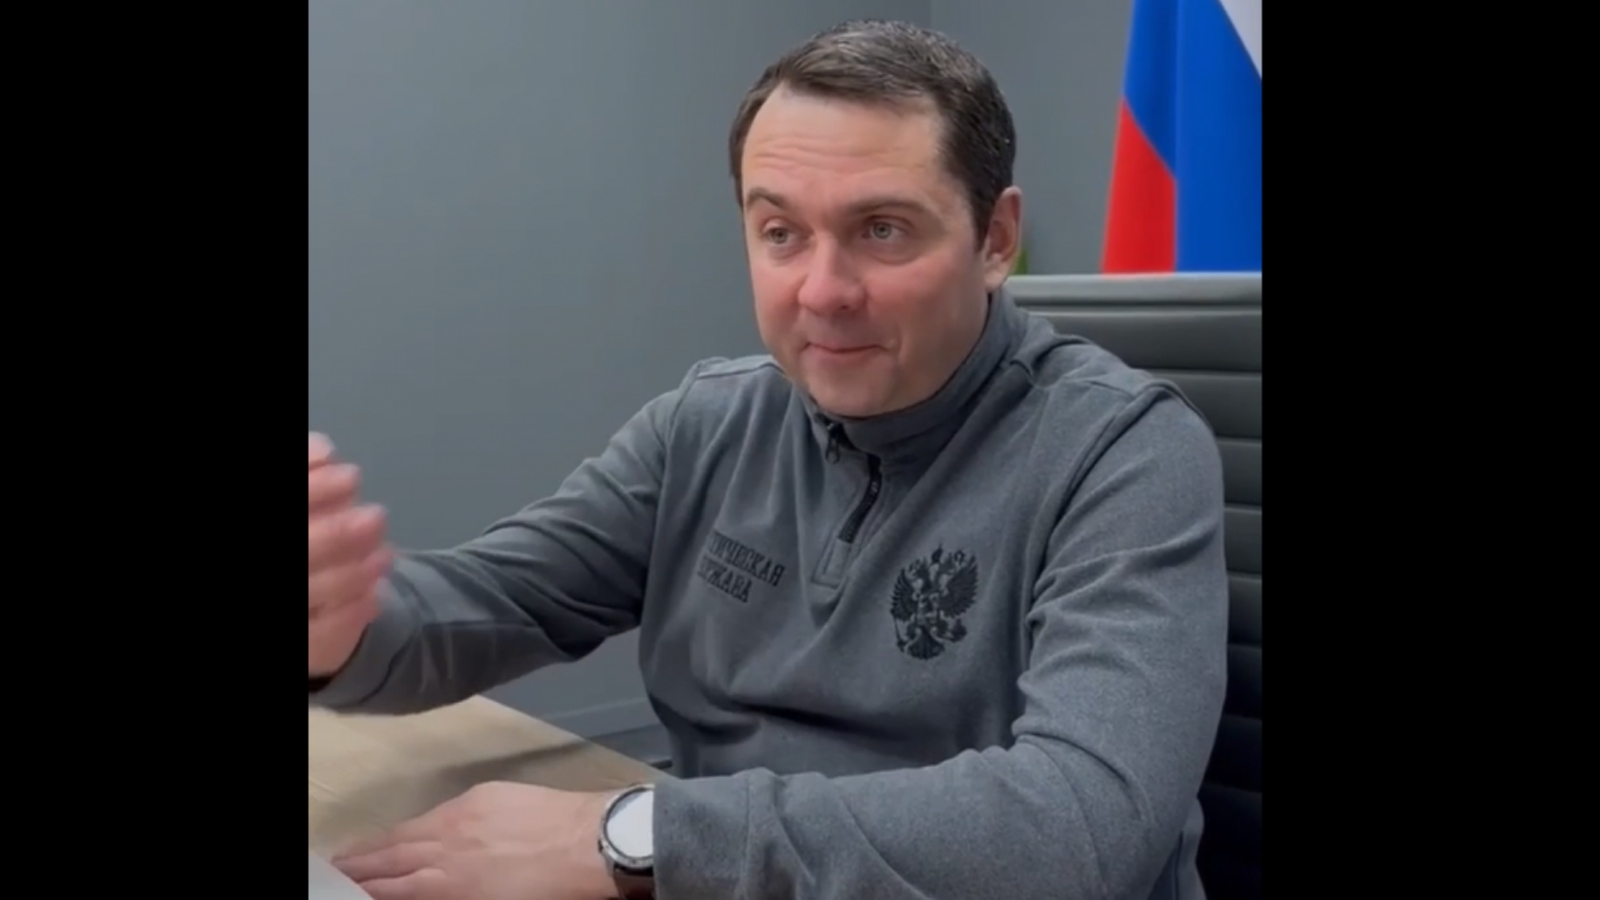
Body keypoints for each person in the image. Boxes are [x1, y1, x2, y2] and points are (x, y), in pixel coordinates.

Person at [308, 18, 1229, 900]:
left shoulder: (1124, 452)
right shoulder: (709, 423)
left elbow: (1081, 829)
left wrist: (639, 834)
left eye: (882, 229)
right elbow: (493, 602)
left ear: (995, 239)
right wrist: (339, 624)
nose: (822, 292)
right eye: (780, 232)